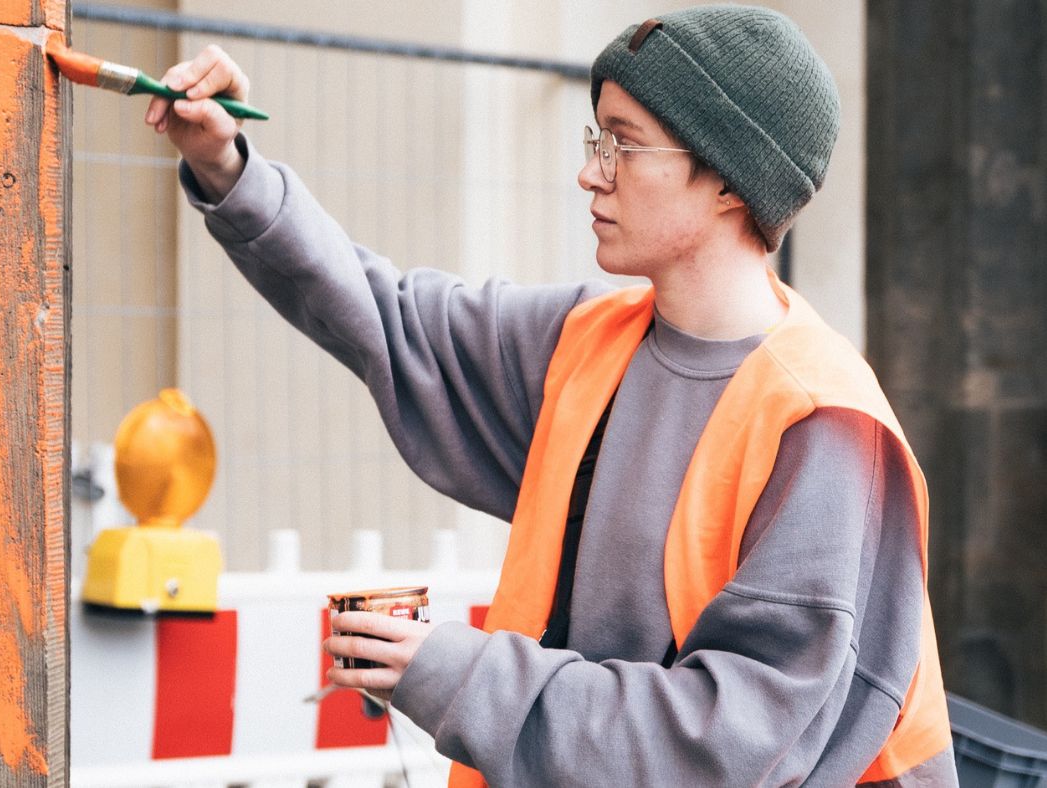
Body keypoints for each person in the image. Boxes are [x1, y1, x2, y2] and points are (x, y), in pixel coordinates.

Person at [146, 5, 957, 785]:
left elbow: (727, 747)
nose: (587, 172)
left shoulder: (823, 424)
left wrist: (457, 674)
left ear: (728, 183)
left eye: (623, 145)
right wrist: (227, 164)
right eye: (593, 138)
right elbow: (387, 317)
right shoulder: (585, 342)